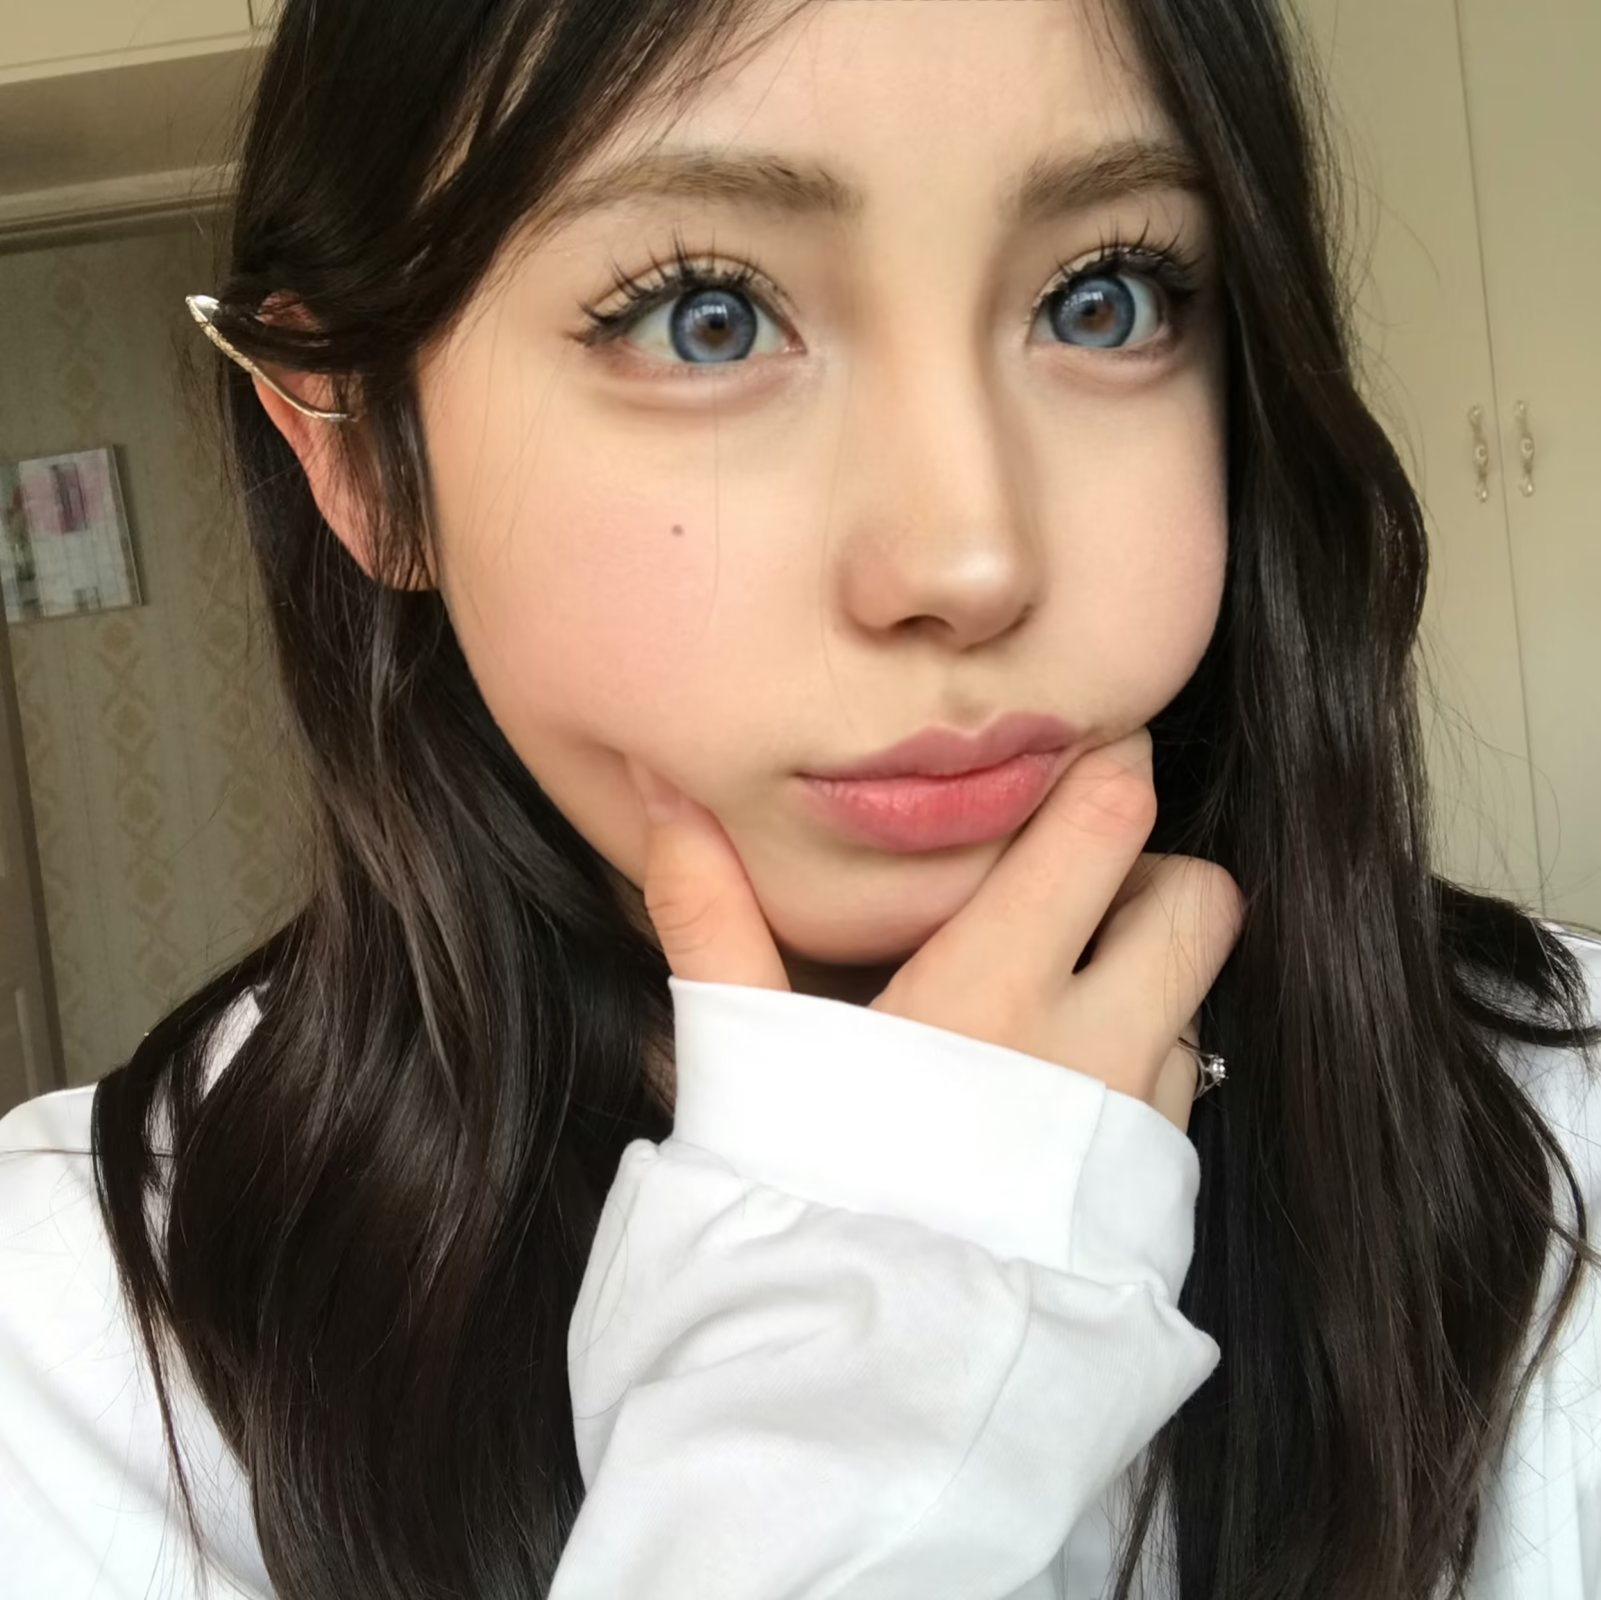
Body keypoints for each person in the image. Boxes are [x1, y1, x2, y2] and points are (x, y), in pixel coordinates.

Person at [1, 0, 1597, 1595]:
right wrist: (870, 1395)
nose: (969, 558)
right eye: (703, 316)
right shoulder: (71, 1345)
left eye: (1105, 298)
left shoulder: (1564, 1150)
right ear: (360, 456)